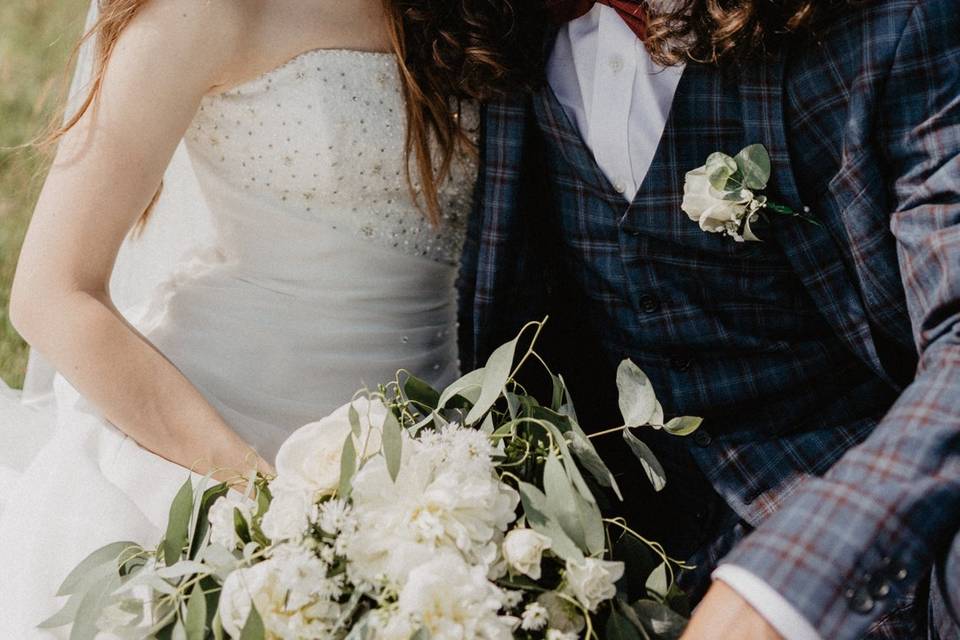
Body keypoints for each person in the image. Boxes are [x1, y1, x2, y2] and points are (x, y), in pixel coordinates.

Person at [0, 0, 542, 635]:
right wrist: (265, 501)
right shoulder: (202, 12)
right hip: (219, 444)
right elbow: (53, 295)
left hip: (425, 456)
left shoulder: (463, 14)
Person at [457, 0, 960, 638]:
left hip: (880, 536)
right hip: (613, 558)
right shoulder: (496, 26)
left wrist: (790, 585)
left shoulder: (895, 21)